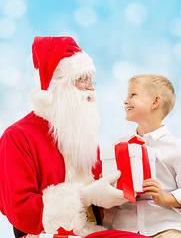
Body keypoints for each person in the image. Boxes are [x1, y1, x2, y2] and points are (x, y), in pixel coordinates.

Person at [0, 36, 149, 238]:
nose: (91, 88)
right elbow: (20, 212)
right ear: (58, 85)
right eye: (82, 79)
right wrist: (84, 197)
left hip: (93, 230)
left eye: (92, 80)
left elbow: (101, 199)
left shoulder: (83, 137)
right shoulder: (17, 137)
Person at [111, 74, 181, 238]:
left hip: (165, 228)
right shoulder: (119, 145)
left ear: (155, 102)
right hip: (125, 228)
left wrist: (163, 198)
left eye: (133, 95)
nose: (125, 101)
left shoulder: (179, 148)